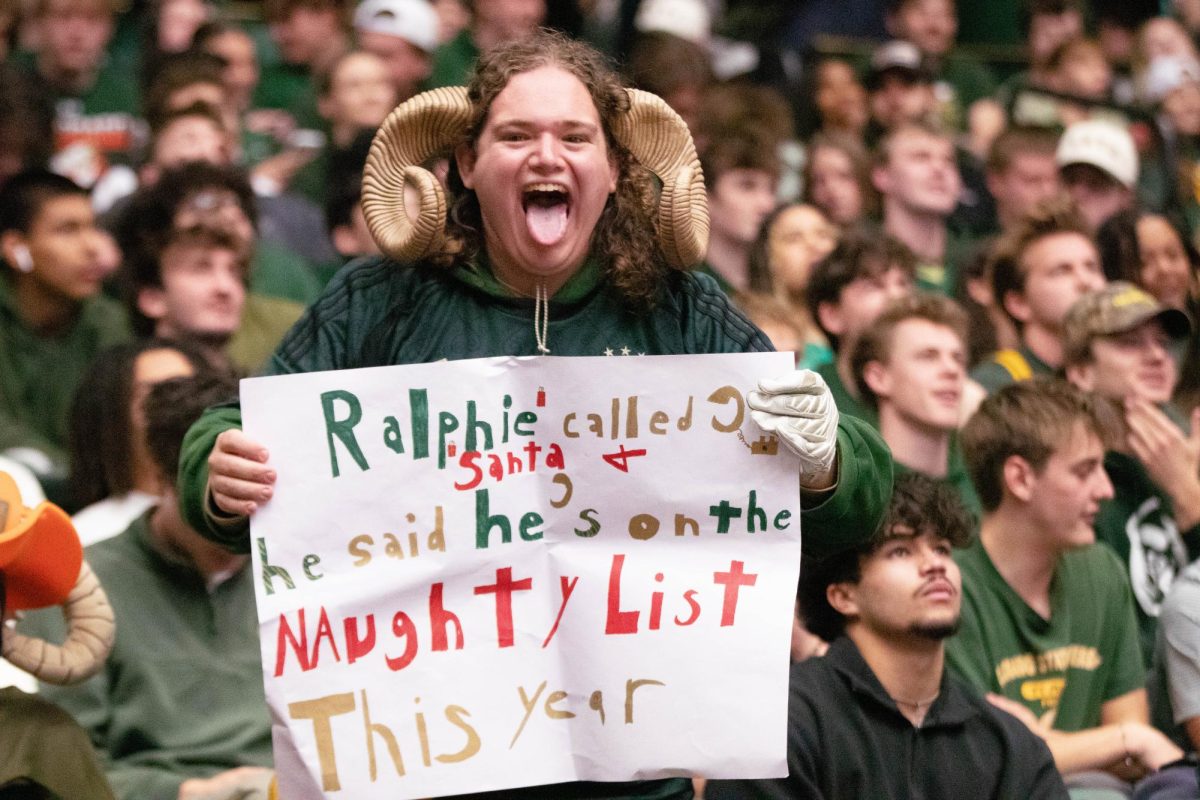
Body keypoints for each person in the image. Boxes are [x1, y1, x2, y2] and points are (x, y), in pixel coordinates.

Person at [177, 31, 895, 800]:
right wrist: (216, 471)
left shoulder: (681, 308)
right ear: (464, 165)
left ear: (615, 170)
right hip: (422, 770)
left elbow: (860, 498)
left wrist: (825, 461)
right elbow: (227, 440)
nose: (547, 156)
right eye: (515, 136)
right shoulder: (379, 298)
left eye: (575, 137)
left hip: (625, 782)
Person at [704, 473, 1067, 800]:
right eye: (900, 551)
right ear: (843, 595)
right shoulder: (784, 725)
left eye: (941, 548)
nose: (935, 564)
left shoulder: (1005, 742)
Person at [21, 372, 274, 800]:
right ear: (161, 479)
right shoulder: (81, 585)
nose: (236, 528)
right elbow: (61, 767)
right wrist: (188, 791)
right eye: (215, 502)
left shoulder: (290, 570)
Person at [948, 380, 1195, 798]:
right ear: (1020, 478)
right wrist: (1122, 740)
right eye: (1085, 471)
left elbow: (1133, 746)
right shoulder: (948, 587)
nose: (1106, 490)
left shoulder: (1100, 569)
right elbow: (982, 760)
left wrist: (1049, 744)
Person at [1061, 282, 1198, 662]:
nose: (1156, 356)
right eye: (1130, 343)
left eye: (1162, 343)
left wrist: (1188, 489)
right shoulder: (1069, 480)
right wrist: (1188, 497)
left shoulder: (1187, 452)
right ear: (1081, 372)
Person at [0, 170, 129, 504]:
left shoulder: (108, 323)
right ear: (17, 249)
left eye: (92, 227)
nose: (92, 247)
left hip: (93, 506)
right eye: (67, 230)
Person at [850, 293, 981, 515]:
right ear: (878, 377)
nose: (952, 370)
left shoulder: (986, 484)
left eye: (958, 358)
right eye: (928, 356)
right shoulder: (857, 490)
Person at [69, 339, 205, 545]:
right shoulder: (85, 535)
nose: (182, 407)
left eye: (191, 391)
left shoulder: (231, 523)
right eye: (158, 395)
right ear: (112, 418)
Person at [970, 199, 1107, 393]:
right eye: (1062, 271)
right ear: (1019, 303)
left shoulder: (1122, 376)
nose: (1085, 281)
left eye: (1091, 267)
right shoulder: (994, 386)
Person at [806, 227, 917, 425]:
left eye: (903, 284)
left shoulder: (937, 393)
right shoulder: (810, 403)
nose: (896, 297)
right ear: (832, 315)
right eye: (873, 286)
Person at [872, 121, 967, 296]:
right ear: (882, 176)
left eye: (948, 160)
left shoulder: (979, 265)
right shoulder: (861, 263)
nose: (939, 168)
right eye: (921, 158)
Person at [699, 126, 780, 294]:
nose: (767, 204)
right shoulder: (685, 290)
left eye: (771, 189)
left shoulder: (777, 286)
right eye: (747, 186)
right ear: (707, 197)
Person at [1057, 118, 1140, 233]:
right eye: (1071, 180)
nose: (1078, 193)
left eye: (1095, 183)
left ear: (1125, 195)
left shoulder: (1142, 247)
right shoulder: (1032, 244)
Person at [353, 0, 439, 103]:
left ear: (422, 61)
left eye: (385, 56)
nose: (372, 67)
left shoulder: (447, 114)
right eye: (365, 55)